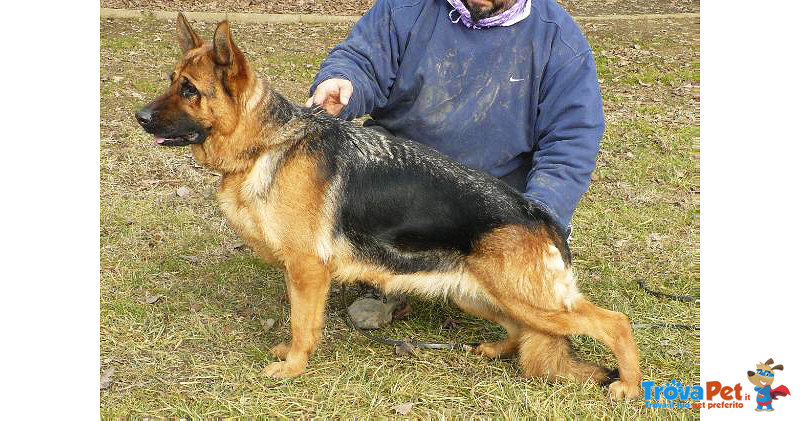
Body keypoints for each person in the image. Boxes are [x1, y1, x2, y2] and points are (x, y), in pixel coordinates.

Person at [307, 0, 603, 327]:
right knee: (364, 174)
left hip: (490, 199)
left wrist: (538, 219)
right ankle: (381, 284)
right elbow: (361, 58)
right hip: (406, 182)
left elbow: (571, 140)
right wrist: (344, 81)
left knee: (527, 301)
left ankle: (497, 280)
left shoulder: (558, 39)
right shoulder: (405, 8)